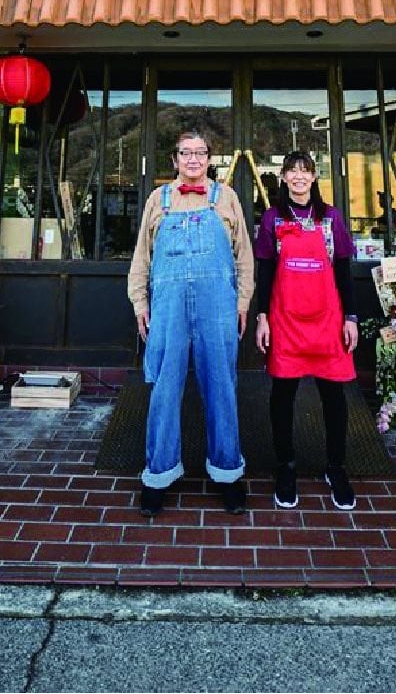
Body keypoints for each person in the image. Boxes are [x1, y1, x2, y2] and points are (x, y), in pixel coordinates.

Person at [127, 131, 254, 518]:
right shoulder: (158, 199)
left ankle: (228, 472)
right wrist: (140, 302)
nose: (194, 159)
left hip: (218, 306)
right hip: (168, 308)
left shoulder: (226, 197)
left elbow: (244, 256)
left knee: (221, 386)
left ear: (209, 159)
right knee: (165, 388)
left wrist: (242, 302)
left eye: (200, 153)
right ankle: (158, 474)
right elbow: (142, 256)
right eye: (186, 153)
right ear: (175, 159)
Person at [253, 150, 359, 511]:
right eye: (292, 171)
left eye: (305, 171)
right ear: (283, 177)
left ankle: (336, 467)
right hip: (285, 320)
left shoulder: (330, 217)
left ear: (314, 177)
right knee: (283, 395)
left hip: (328, 320)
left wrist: (351, 317)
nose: (299, 177)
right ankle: (286, 467)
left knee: (334, 396)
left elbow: (343, 268)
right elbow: (265, 271)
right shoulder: (272, 218)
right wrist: (262, 317)